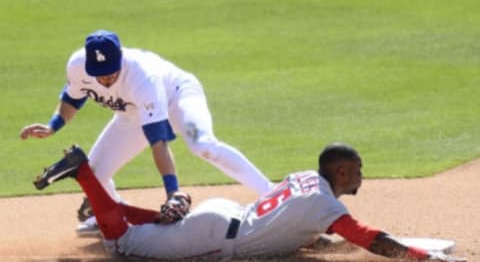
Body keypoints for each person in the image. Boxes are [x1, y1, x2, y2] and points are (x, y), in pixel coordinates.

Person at [20, 29, 272, 235]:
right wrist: (53, 125)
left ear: (120, 57)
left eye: (110, 72)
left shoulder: (143, 78)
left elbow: (158, 143)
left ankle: (272, 193)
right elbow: (73, 98)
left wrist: (172, 191)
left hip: (178, 98)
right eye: (100, 75)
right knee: (95, 175)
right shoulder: (78, 66)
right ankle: (113, 212)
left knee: (202, 145)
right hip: (132, 113)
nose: (105, 79)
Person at [33, 143, 465, 262]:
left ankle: (107, 199)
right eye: (358, 170)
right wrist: (416, 257)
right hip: (218, 236)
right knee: (123, 245)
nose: (363, 176)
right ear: (341, 174)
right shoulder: (326, 208)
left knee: (148, 230)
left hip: (221, 215)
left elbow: (297, 226)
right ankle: (85, 173)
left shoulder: (304, 179)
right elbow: (366, 237)